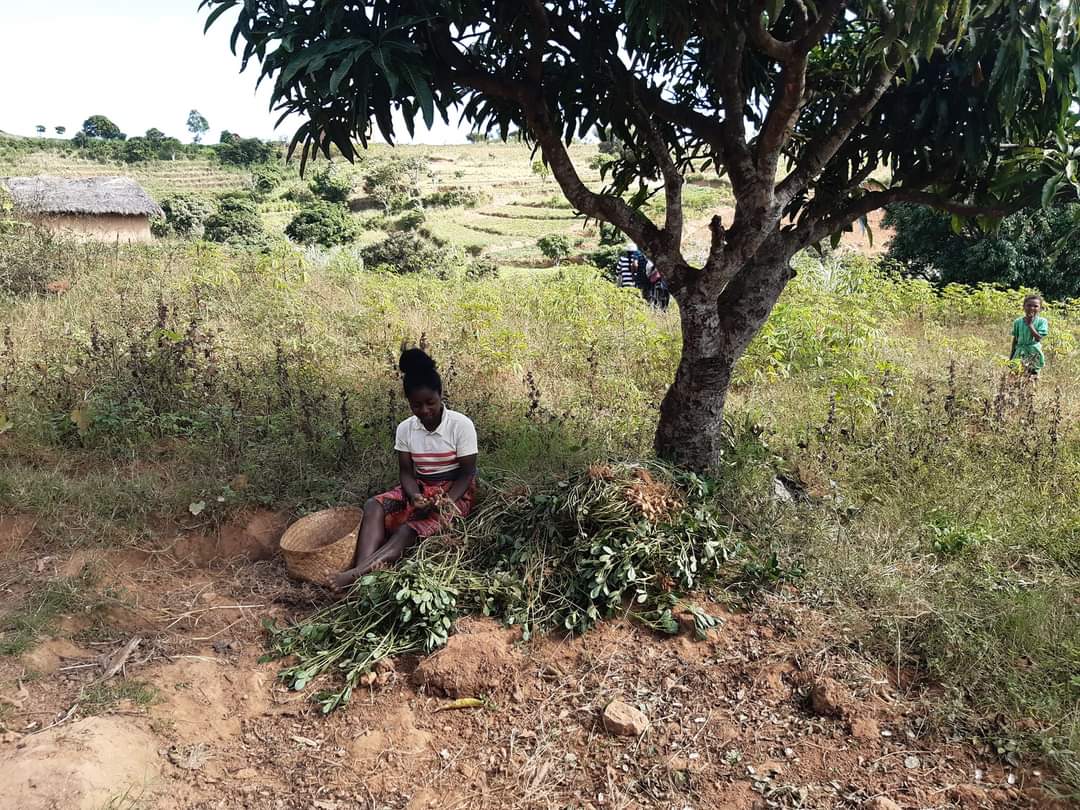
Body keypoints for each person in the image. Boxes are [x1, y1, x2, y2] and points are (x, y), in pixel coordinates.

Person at [331, 348, 478, 592]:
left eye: (430, 402)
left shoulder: (461, 426)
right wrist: (414, 496)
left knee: (407, 530)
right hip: (421, 487)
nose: (424, 411)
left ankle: (356, 574)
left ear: (441, 395)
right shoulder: (406, 429)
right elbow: (407, 473)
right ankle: (362, 574)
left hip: (455, 492)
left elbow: (467, 473)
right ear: (408, 403)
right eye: (416, 405)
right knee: (373, 506)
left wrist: (446, 503)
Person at [1009, 294, 1049, 378]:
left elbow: (1038, 338)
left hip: (1033, 353)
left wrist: (1030, 324)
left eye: (1035, 306)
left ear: (1040, 308)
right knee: (1016, 376)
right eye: (1029, 305)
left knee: (1033, 376)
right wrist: (1011, 356)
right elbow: (1015, 339)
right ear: (1024, 307)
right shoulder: (1018, 322)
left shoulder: (1042, 321)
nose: (1032, 308)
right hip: (1019, 352)